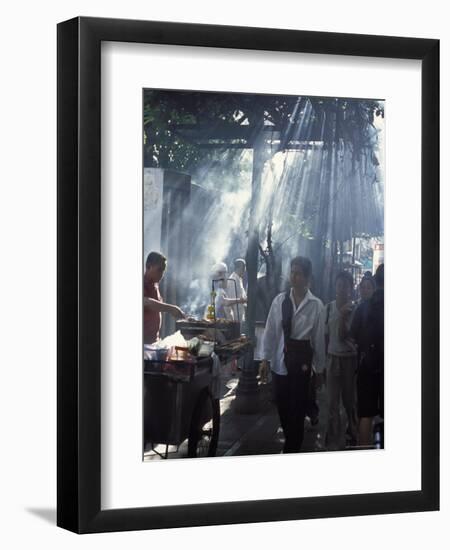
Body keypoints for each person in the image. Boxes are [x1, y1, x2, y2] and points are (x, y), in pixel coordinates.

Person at [259, 256, 324, 453]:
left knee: (297, 410)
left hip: (302, 366)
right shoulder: (280, 302)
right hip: (280, 364)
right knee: (283, 407)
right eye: (292, 272)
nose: (294, 277)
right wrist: (265, 359)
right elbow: (270, 332)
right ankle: (291, 440)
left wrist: (320, 370)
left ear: (307, 277)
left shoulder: (316, 306)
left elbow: (319, 340)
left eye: (299, 273)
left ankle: (292, 449)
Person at [323, 271, 358, 450]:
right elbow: (326, 337)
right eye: (338, 285)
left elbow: (347, 335)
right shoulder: (328, 308)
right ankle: (333, 441)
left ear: (351, 289)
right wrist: (324, 361)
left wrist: (344, 315)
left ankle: (352, 434)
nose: (341, 289)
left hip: (349, 361)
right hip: (332, 359)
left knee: (349, 402)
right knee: (331, 403)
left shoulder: (355, 310)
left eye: (345, 285)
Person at [350, 263, 384, 446]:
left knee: (366, 416)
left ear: (376, 283)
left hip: (366, 366)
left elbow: (352, 335)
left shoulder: (364, 307)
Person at [143, 251, 186, 345]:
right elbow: (146, 302)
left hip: (154, 342)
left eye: (163, 271)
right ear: (149, 266)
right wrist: (172, 309)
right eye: (159, 270)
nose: (162, 274)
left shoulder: (155, 285)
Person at [226, 258, 247, 324]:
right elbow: (232, 298)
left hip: (240, 314)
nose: (245, 270)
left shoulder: (239, 279)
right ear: (240, 267)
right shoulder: (233, 280)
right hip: (235, 317)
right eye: (244, 268)